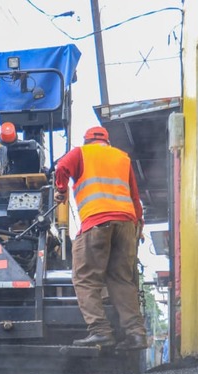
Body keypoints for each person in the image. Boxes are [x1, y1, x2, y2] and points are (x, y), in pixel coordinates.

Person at [54, 125, 147, 350]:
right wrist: (139, 225)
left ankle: (100, 331)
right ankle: (136, 334)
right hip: (126, 224)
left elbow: (61, 167)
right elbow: (135, 196)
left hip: (96, 222)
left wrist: (62, 191)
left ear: (87, 141)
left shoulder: (80, 153)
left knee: (85, 278)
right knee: (121, 279)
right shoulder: (122, 158)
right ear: (107, 141)